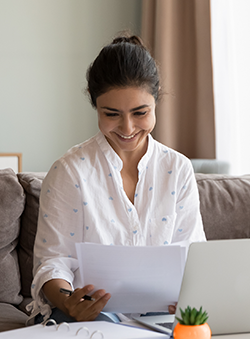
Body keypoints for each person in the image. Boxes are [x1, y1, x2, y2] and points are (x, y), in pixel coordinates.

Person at [27, 34, 206, 323]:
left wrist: (190, 298)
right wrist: (70, 301)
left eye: (140, 113)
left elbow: (194, 256)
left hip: (162, 316)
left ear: (156, 100)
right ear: (95, 105)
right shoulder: (70, 172)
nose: (127, 127)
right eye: (111, 114)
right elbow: (53, 262)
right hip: (91, 317)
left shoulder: (178, 170)